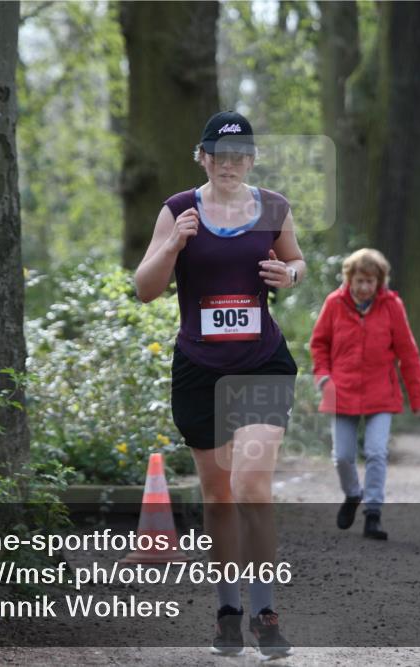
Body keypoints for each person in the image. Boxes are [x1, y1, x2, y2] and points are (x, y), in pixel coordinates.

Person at [134, 111, 303, 660]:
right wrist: (172, 247)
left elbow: (296, 261)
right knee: (220, 494)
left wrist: (291, 275)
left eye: (239, 156)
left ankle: (265, 611)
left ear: (251, 159)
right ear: (202, 156)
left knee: (252, 485)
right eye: (218, 155)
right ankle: (228, 610)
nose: (229, 164)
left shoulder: (273, 207)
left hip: (261, 362)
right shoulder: (179, 210)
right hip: (200, 370)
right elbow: (145, 288)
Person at [310, 248, 420, 541]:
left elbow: (408, 353)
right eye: (360, 280)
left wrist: (418, 397)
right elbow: (319, 344)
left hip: (381, 391)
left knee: (376, 452)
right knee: (342, 457)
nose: (364, 287)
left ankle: (373, 513)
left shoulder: (392, 306)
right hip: (343, 390)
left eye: (371, 281)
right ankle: (353, 494)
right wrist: (323, 376)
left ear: (380, 282)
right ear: (349, 279)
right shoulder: (334, 304)